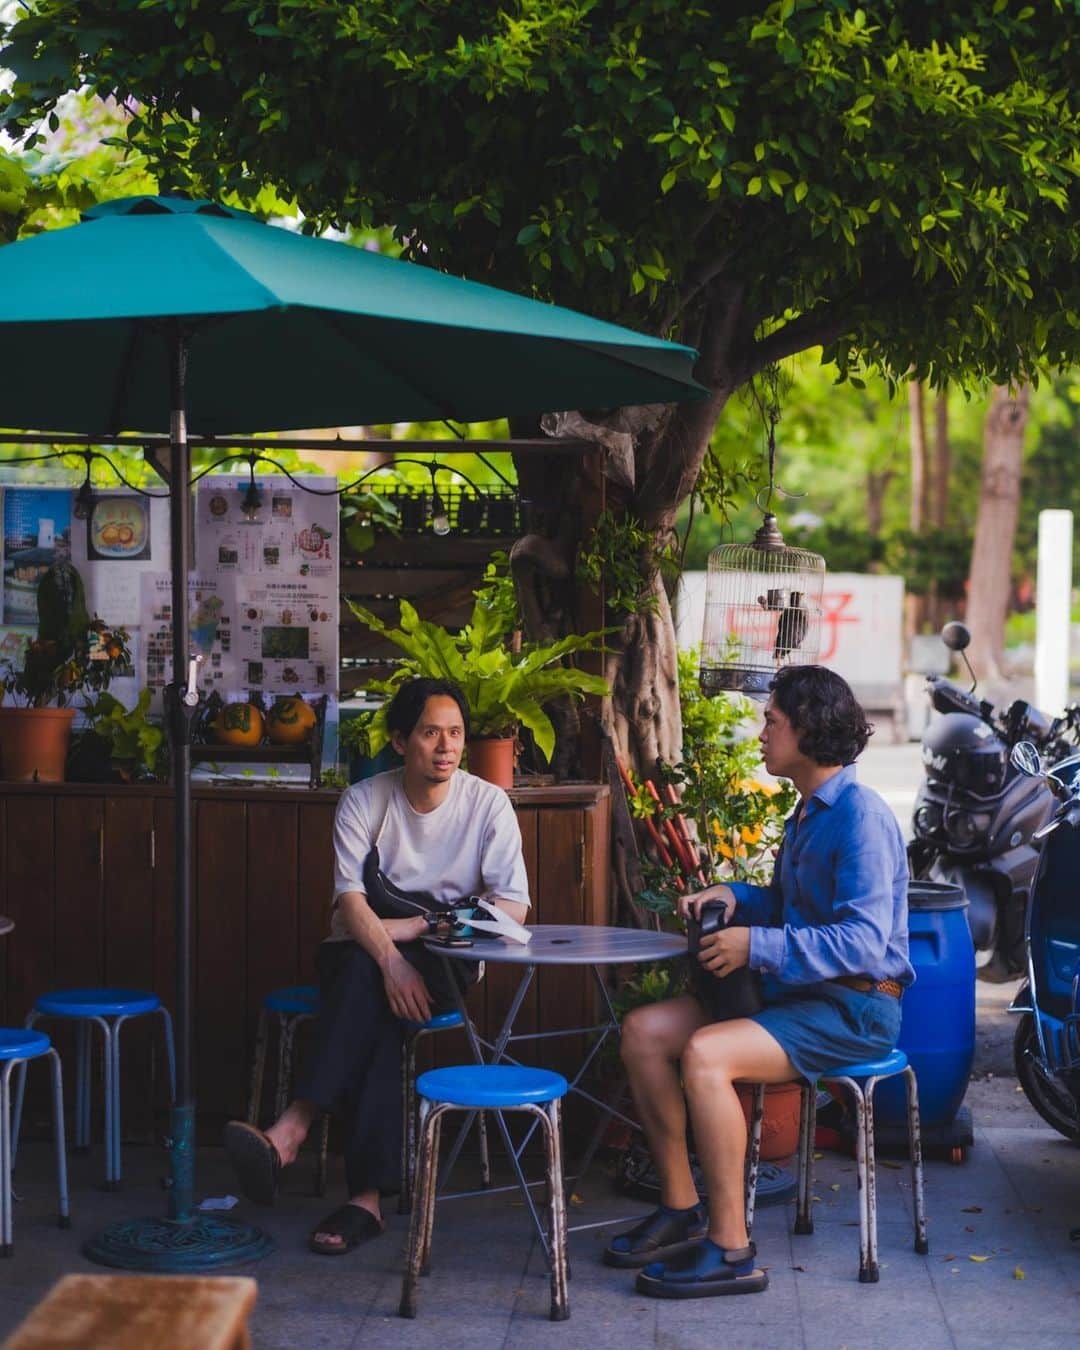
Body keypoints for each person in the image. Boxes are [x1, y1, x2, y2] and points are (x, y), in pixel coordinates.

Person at [606, 664, 913, 1298]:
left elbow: (861, 942)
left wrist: (755, 946)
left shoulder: (861, 818)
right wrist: (737, 895)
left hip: (855, 1009)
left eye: (772, 721)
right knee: (643, 1033)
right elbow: (788, 909)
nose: (762, 731)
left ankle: (731, 1249)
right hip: (801, 998)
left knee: (706, 1055)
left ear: (808, 730)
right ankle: (682, 1204)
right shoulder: (809, 812)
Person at [223, 676, 530, 1254]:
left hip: (447, 957)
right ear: (399, 740)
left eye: (456, 734)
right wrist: (394, 955)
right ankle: (364, 1197)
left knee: (367, 987)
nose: (446, 747)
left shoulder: (487, 805)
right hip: (366, 953)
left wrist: (422, 931)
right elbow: (349, 901)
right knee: (374, 991)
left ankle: (292, 1129)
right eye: (430, 733)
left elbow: (512, 904)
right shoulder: (365, 800)